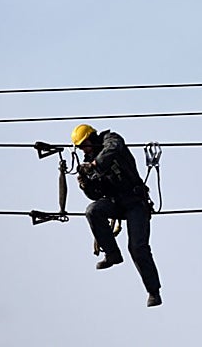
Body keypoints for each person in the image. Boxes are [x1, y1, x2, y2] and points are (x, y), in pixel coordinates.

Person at [71, 123, 162, 307]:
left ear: (92, 137)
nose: (83, 150)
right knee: (93, 210)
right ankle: (112, 254)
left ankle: (153, 291)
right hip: (116, 203)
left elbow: (114, 148)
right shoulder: (89, 161)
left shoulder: (111, 140)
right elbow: (96, 194)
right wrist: (85, 183)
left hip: (136, 202)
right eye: (80, 147)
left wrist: (95, 165)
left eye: (84, 144)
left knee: (137, 247)